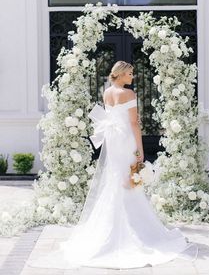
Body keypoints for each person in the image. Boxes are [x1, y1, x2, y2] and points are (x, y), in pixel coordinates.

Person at [27, 61, 198, 270]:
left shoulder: (107, 92)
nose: (132, 77)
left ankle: (112, 224)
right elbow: (134, 123)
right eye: (129, 73)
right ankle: (133, 228)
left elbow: (111, 116)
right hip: (126, 139)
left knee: (116, 178)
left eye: (132, 73)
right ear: (119, 74)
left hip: (113, 141)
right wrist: (140, 150)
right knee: (130, 177)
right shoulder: (129, 95)